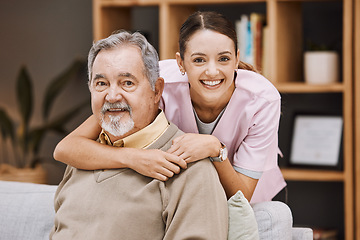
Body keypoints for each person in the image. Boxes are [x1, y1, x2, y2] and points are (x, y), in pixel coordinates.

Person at [54, 11, 286, 203]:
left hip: (251, 193)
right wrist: (132, 157)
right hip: (188, 195)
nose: (212, 71)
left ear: (237, 59)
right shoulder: (153, 84)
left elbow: (242, 195)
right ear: (180, 62)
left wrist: (216, 149)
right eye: (198, 59)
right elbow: (66, 148)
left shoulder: (263, 100)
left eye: (223, 59)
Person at [50, 30, 228, 240]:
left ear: (157, 90)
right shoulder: (80, 158)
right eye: (101, 84)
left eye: (127, 83)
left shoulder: (190, 168)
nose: (113, 96)